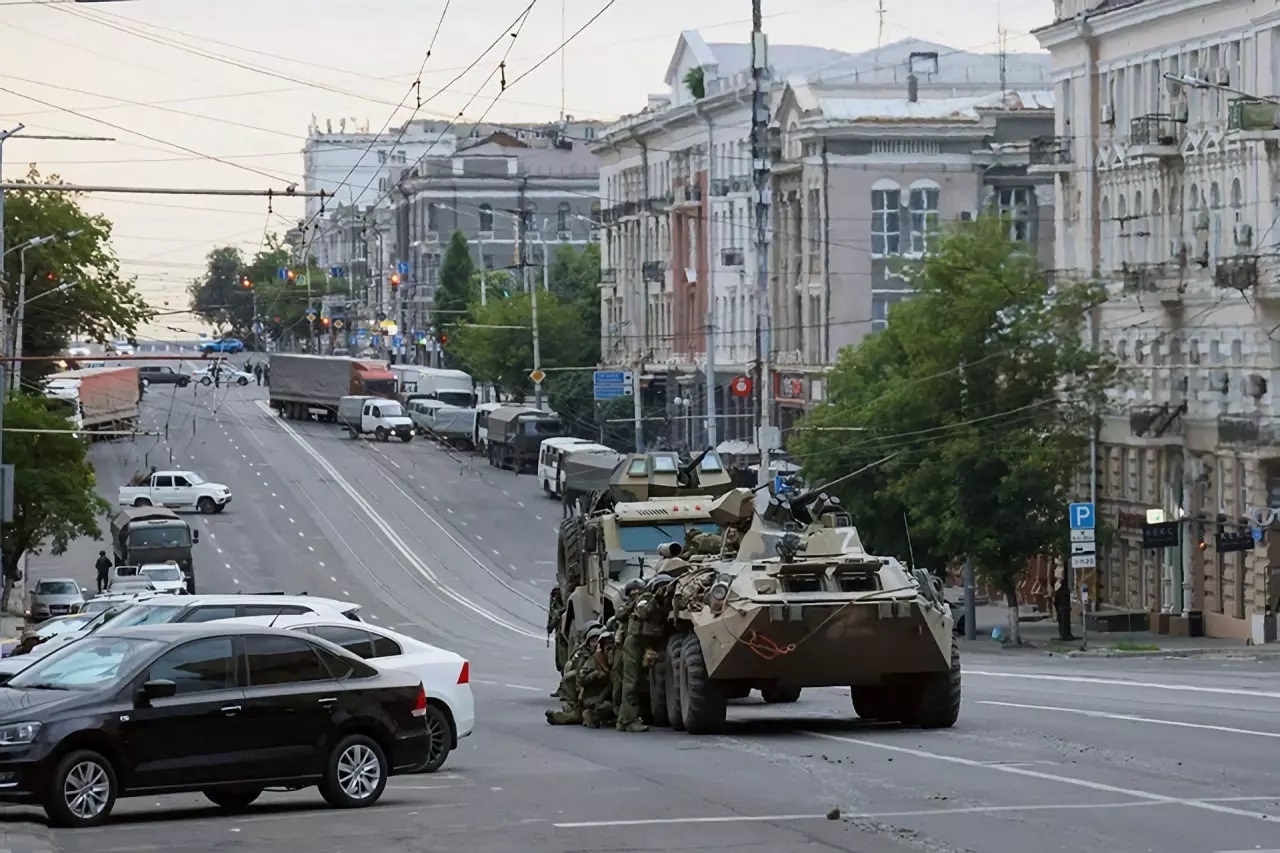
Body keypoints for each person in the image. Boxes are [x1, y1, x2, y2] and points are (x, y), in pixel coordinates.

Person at [615, 575, 675, 733]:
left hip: (650, 644)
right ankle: (629, 720)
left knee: (642, 682)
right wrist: (656, 599)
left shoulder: (668, 602)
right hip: (635, 643)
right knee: (631, 682)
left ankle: (624, 719)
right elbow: (643, 612)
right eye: (662, 587)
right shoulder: (646, 599)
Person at [546, 625, 603, 725]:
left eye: (597, 641)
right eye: (593, 641)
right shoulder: (584, 654)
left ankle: (563, 717)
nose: (595, 644)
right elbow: (580, 675)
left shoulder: (604, 655)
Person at [1053, 565, 1076, 641]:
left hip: (1061, 609)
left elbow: (1056, 601)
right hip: (1066, 609)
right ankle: (1066, 635)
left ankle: (1063, 635)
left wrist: (1056, 608)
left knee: (1061, 623)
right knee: (1066, 623)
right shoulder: (1067, 591)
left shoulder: (1059, 591)